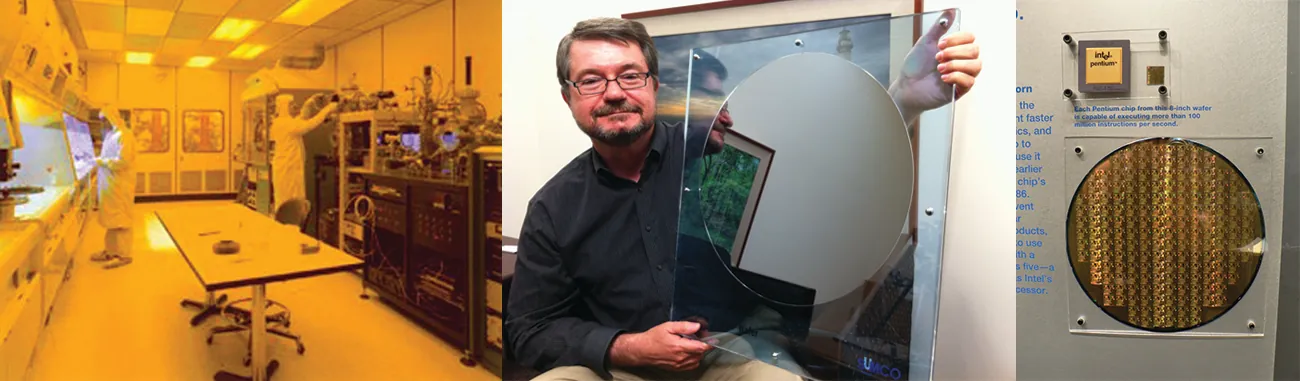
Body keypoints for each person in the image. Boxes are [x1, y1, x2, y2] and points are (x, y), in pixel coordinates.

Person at [507, 16, 981, 381]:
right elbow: (529, 332)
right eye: (591, 80)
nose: (613, 93)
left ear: (653, 84)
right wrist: (626, 347)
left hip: (727, 354)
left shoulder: (720, 151)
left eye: (629, 75)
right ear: (568, 96)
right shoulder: (553, 207)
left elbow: (824, 187)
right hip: (615, 366)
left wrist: (904, 100)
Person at [269, 94, 338, 213]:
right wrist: (329, 108)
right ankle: (290, 229)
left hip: (286, 169)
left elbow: (300, 120)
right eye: (291, 104)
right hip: (288, 171)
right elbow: (309, 124)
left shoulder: (282, 122)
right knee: (290, 205)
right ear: (284, 107)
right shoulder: (285, 124)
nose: (294, 106)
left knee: (288, 202)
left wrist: (309, 103)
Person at [91, 105, 138, 269]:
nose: (102, 124)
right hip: (110, 185)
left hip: (120, 184)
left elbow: (123, 161)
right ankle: (110, 251)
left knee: (121, 220)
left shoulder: (125, 135)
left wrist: (101, 161)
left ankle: (124, 255)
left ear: (112, 118)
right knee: (111, 220)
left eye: (104, 120)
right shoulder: (112, 135)